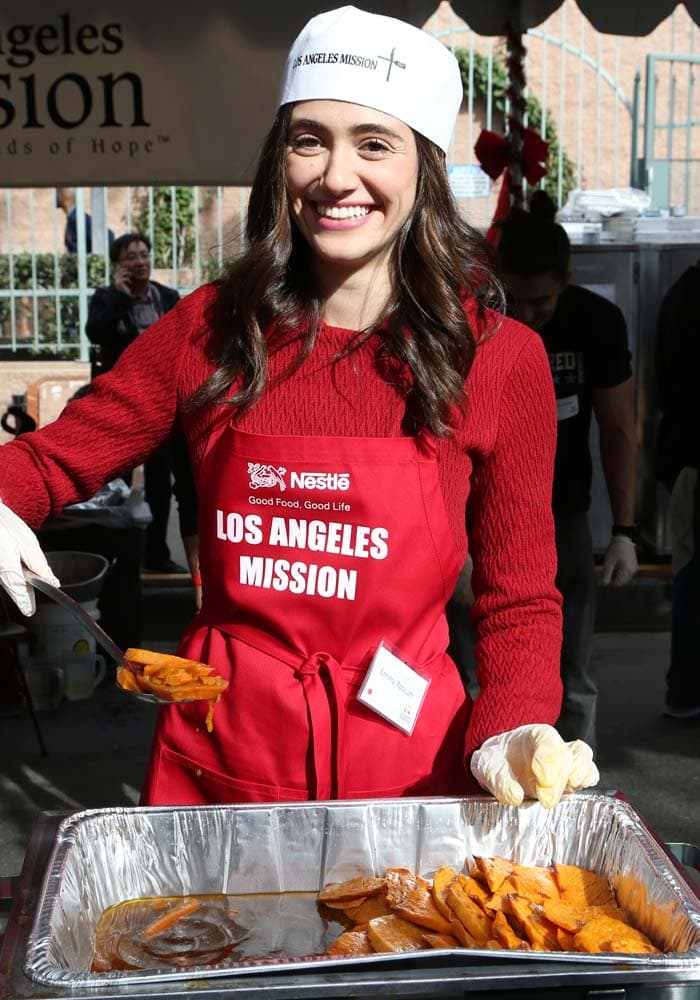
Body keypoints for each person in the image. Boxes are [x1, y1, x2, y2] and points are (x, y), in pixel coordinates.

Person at [0, 7, 599, 809]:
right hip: (226, 756)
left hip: (414, 772)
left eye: (374, 144)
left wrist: (514, 728)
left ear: (425, 168)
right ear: (279, 158)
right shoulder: (209, 329)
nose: (335, 176)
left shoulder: (498, 358)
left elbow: (518, 598)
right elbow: (50, 461)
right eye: (308, 139)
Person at [493, 192, 638, 750]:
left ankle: (569, 793)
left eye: (542, 302)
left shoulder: (595, 322)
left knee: (572, 671)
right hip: (482, 518)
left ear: (567, 279)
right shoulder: (472, 322)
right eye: (516, 300)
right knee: (482, 665)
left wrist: (623, 532)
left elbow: (619, 427)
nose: (527, 316)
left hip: (563, 512)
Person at [86, 232, 188, 574]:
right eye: (131, 256)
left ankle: (156, 555)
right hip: (121, 404)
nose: (140, 261)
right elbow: (96, 333)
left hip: (162, 405)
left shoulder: (168, 297)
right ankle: (121, 560)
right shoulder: (105, 298)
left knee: (160, 484)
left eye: (144, 254)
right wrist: (119, 297)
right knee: (119, 483)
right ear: (119, 265)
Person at [655, 263, 700, 719]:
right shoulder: (690, 298)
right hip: (693, 461)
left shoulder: (681, 291)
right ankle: (685, 689)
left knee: (689, 573)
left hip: (683, 456)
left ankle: (684, 689)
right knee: (691, 578)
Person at [55, 187, 115, 254]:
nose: (54, 196)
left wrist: (98, 260)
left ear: (64, 195)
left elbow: (108, 236)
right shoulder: (72, 218)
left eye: (57, 193)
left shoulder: (77, 218)